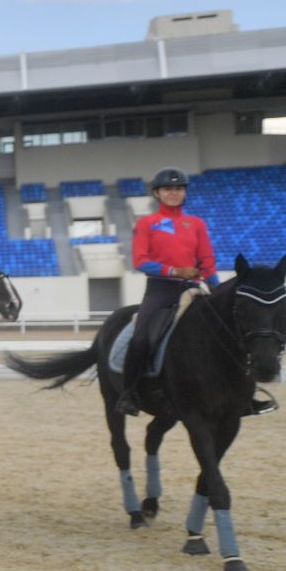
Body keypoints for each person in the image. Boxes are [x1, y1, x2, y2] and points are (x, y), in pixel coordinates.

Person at [118, 167, 215, 416]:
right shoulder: (146, 224)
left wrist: (217, 288)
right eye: (168, 189)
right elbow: (140, 261)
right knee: (140, 337)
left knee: (228, 329)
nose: (174, 193)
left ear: (185, 193)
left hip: (194, 288)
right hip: (161, 290)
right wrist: (174, 271)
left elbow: (206, 261)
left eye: (179, 188)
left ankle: (240, 391)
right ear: (157, 193)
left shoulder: (197, 224)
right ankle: (129, 393)